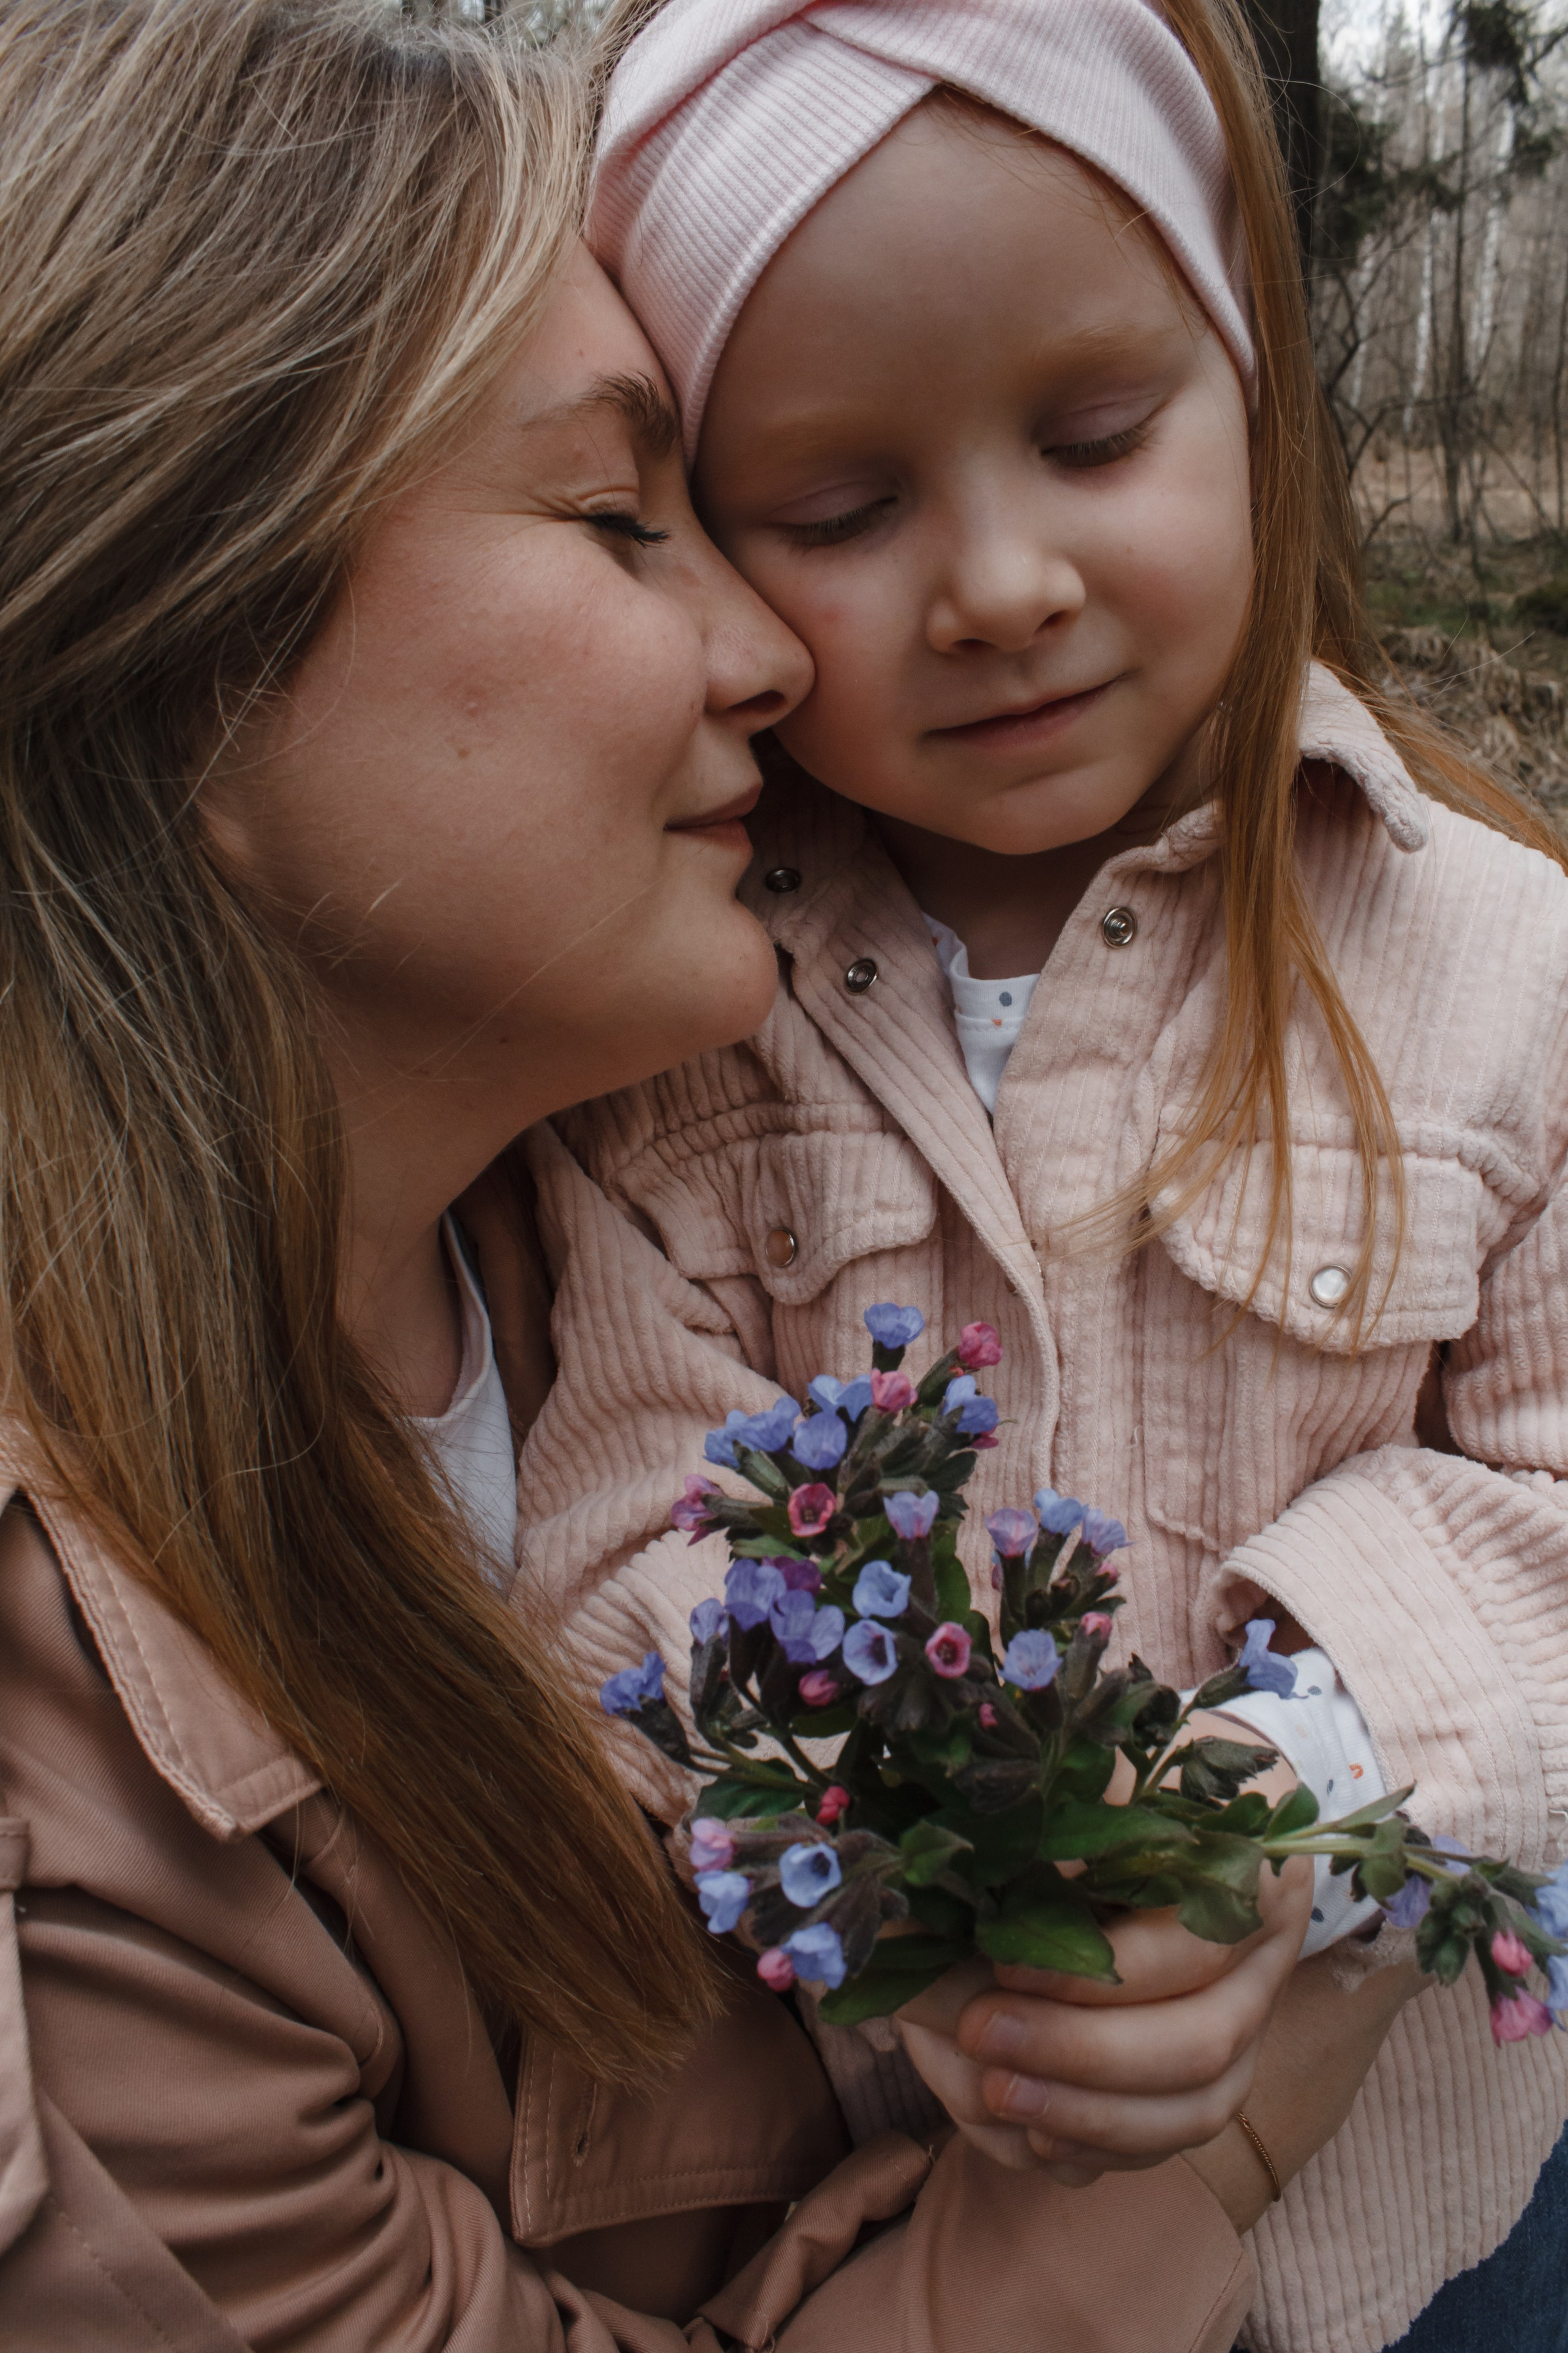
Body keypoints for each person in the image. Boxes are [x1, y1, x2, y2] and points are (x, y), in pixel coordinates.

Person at [0, 1, 1408, 2347]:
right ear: (184, 673)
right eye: (620, 519)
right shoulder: (75, 1813)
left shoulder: (670, 1191)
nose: (775, 650)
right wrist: (1266, 2075)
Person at [504, 0, 1568, 2347]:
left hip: (1436, 2206)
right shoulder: (688, 1016)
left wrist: (1272, 1790)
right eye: (843, 510)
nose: (995, 583)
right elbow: (614, 1545)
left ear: (1256, 387)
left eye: (1093, 436)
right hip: (938, 2203)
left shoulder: (1493, 962)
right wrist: (930, 1856)